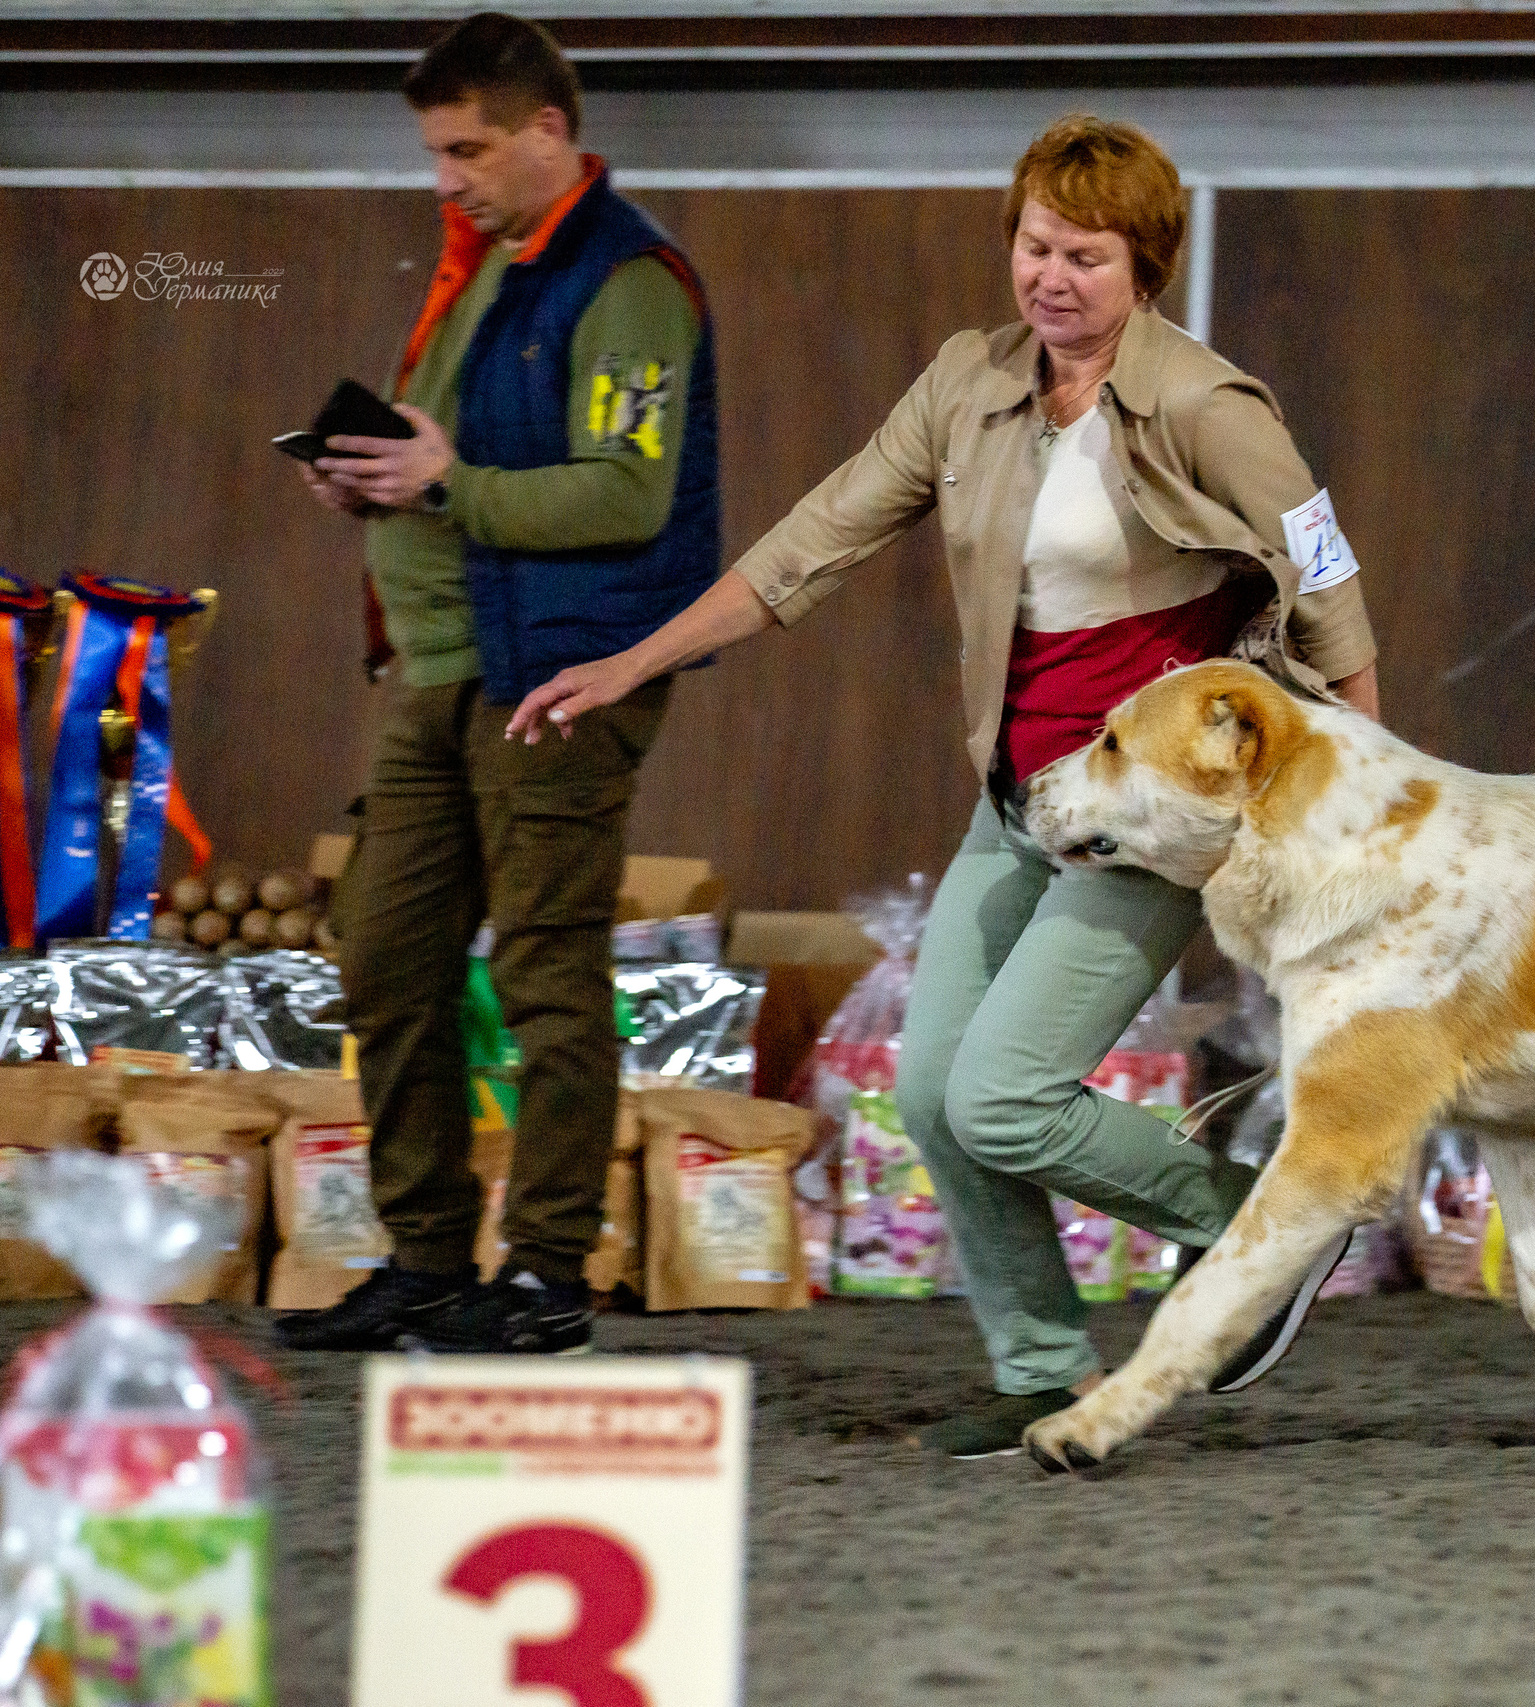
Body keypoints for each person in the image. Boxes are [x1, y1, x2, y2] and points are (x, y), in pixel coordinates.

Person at [508, 113, 1381, 1454]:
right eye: (1034, 246)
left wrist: (1357, 824)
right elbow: (816, 539)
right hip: (1024, 799)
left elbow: (1329, 592)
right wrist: (634, 661)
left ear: (1143, 265)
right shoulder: (968, 385)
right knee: (930, 1096)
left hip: (1158, 819)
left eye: (1083, 256)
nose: (1049, 278)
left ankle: (1256, 1226)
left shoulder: (1212, 408)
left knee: (1003, 1095)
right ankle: (1040, 1368)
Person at [279, 11, 721, 1355]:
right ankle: (422, 1256)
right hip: (442, 670)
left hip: (561, 675)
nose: (446, 177)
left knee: (544, 969)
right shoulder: (493, 270)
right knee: (387, 957)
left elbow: (628, 490)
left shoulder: (628, 277)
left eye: (467, 147)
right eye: (433, 152)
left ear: (547, 131)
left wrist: (445, 482)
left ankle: (545, 1270)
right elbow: (449, 457)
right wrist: (374, 477)